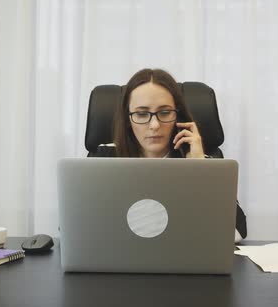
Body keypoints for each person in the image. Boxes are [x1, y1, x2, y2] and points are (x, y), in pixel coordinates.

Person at [91, 68, 247, 241]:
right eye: (142, 114)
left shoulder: (202, 162)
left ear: (178, 116)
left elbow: (236, 233)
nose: (155, 125)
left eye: (164, 112)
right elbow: (77, 228)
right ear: (127, 119)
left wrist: (201, 168)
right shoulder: (103, 158)